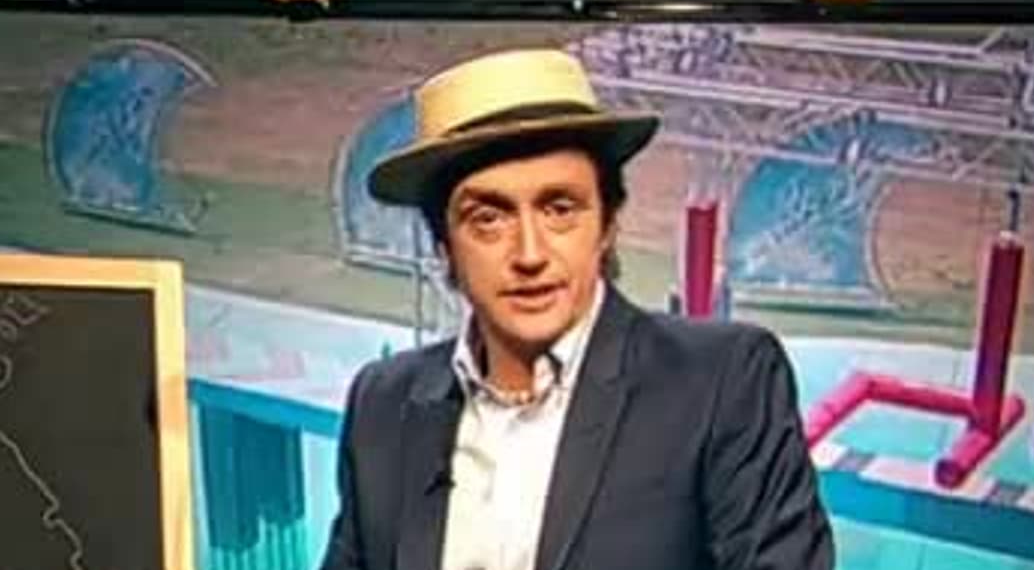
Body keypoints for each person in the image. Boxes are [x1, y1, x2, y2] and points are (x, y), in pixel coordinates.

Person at [320, 49, 835, 570]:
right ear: (445, 247)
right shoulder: (383, 403)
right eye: (488, 219)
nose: (530, 254)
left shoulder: (721, 380)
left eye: (559, 209)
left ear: (607, 225)